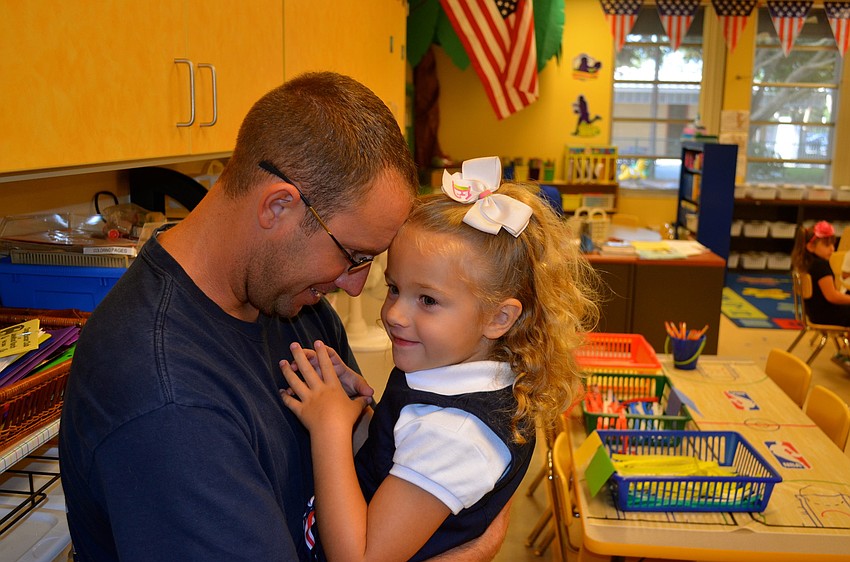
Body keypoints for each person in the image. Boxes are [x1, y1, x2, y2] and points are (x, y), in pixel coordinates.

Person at [59, 72, 505, 562]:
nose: (356, 285)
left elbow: (363, 471)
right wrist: (473, 550)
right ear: (278, 206)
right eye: (353, 255)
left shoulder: (291, 302)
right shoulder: (166, 399)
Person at [279, 157, 600, 561]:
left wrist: (329, 429)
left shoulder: (456, 433)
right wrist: (356, 414)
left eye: (427, 300)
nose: (394, 313)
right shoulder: (448, 371)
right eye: (395, 288)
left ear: (499, 318)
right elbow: (399, 455)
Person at [791, 220, 850, 341]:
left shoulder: (808, 263)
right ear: (811, 247)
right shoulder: (821, 266)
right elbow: (832, 296)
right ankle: (845, 352)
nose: (832, 249)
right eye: (827, 245)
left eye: (833, 244)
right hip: (827, 315)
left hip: (815, 312)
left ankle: (845, 350)